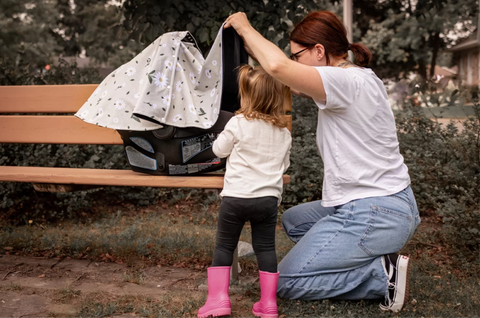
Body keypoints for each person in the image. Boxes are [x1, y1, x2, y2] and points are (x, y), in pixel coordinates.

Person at [224, 10, 421, 313]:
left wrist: (244, 25)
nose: (294, 63)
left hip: (377, 211)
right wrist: (247, 45)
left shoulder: (345, 80)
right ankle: (359, 253)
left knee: (283, 281)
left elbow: (278, 66)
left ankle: (381, 276)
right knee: (294, 221)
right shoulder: (354, 79)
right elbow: (281, 70)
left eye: (297, 56)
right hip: (379, 203)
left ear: (319, 51)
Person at [197, 65, 292, 318]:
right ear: (276, 97)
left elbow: (218, 151)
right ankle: (268, 304)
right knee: (266, 248)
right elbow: (284, 165)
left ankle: (218, 300)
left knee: (224, 246)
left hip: (236, 199)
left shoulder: (238, 123)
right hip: (267, 200)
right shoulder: (283, 132)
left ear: (247, 96)